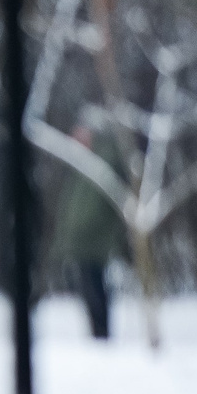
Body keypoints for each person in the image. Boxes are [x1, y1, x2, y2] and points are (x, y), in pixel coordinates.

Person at [54, 120, 129, 341]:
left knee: (96, 290)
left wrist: (84, 230)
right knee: (88, 290)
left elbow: (100, 206)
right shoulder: (83, 166)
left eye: (78, 137)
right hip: (81, 242)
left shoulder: (102, 163)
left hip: (96, 242)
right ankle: (97, 335)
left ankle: (102, 335)